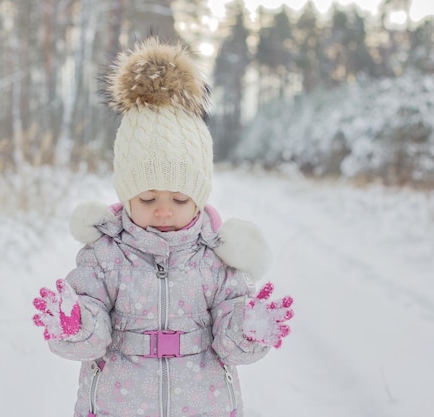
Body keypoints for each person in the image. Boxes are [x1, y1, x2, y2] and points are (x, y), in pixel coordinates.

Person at [32, 37, 294, 417]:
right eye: (148, 199)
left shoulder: (216, 260)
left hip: (203, 406)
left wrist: (248, 329)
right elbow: (93, 330)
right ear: (125, 195)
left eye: (180, 199)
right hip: (118, 406)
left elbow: (228, 338)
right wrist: (74, 324)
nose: (164, 212)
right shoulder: (104, 256)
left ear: (200, 198)